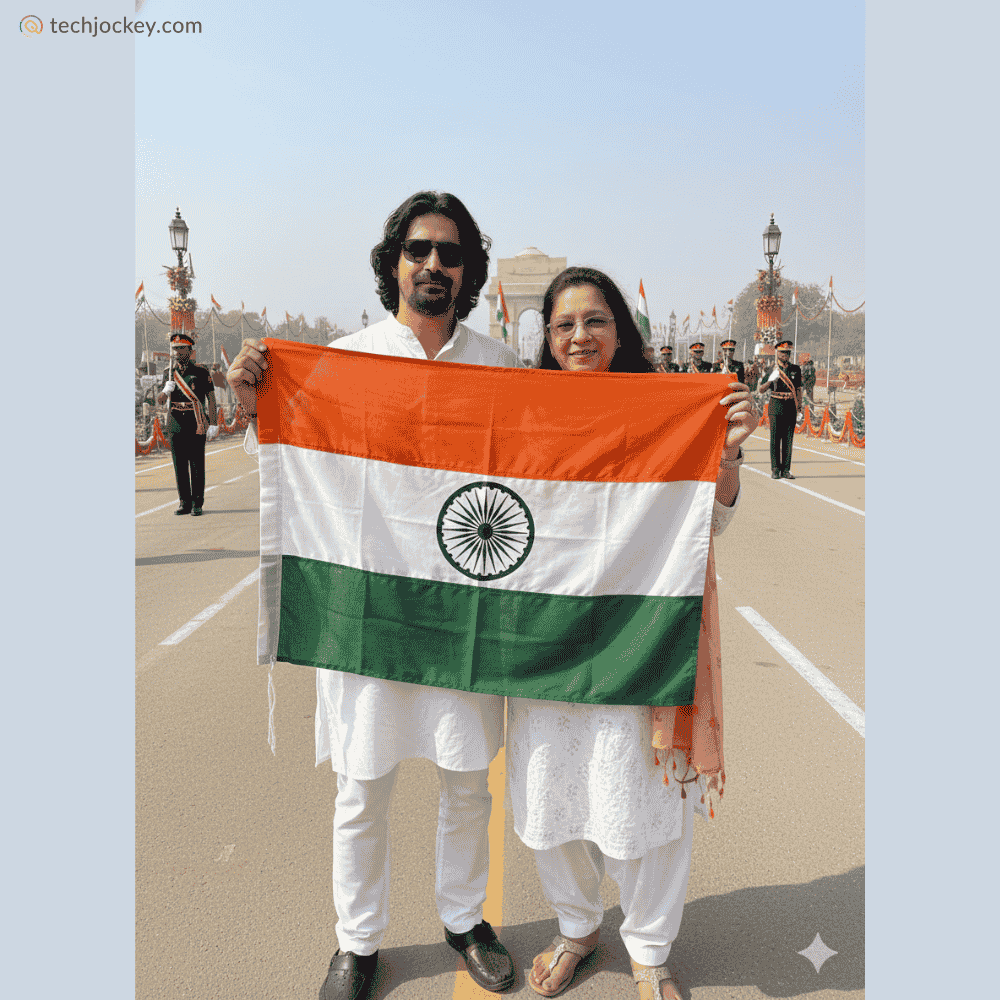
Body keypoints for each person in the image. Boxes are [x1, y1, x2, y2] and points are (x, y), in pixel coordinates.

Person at [226, 192, 520, 1000]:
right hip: (368, 610)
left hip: (464, 613)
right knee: (362, 787)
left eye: (451, 253)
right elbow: (292, 455)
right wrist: (256, 400)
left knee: (468, 780)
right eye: (419, 248)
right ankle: (357, 943)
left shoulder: (501, 370)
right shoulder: (340, 363)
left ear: (468, 271)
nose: (434, 264)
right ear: (394, 259)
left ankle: (465, 919)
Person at [519, 267, 755, 1000]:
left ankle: (650, 949)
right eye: (564, 325)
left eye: (595, 321)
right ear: (547, 339)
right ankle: (577, 927)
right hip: (544, 641)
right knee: (549, 787)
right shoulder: (523, 414)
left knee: (645, 790)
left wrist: (724, 453)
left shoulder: (664, 411)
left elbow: (708, 521)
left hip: (641, 631)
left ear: (621, 332)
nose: (580, 336)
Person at [156, 332, 218, 514]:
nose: (177, 352)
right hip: (175, 422)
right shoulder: (168, 372)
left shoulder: (201, 371)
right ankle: (184, 502)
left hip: (196, 422)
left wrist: (213, 423)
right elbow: (159, 401)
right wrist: (165, 390)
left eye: (181, 348)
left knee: (196, 464)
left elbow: (211, 398)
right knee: (179, 465)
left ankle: (197, 503)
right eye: (174, 349)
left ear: (190, 351)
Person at [757, 339, 802, 479]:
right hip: (776, 405)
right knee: (775, 439)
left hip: (790, 406)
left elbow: (799, 389)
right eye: (782, 352)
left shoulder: (795, 369)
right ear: (777, 353)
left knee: (788, 439)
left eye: (787, 352)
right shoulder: (771, 369)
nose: (785, 355)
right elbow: (761, 390)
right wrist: (770, 380)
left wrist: (799, 408)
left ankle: (786, 470)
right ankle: (775, 469)